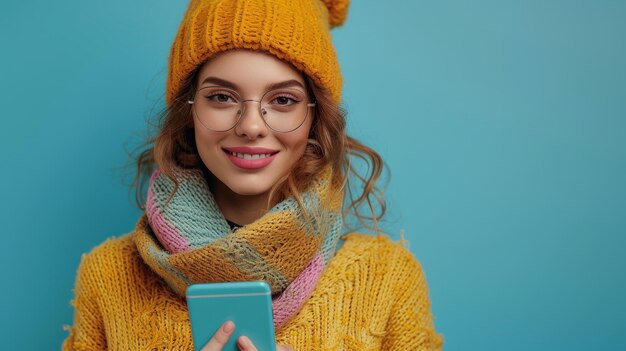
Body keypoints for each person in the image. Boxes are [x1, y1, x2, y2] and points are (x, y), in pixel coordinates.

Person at [62, 0, 444, 350]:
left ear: (315, 116)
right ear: (188, 110)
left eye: (282, 100)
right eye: (221, 97)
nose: (251, 126)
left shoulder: (388, 279)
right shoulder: (108, 275)